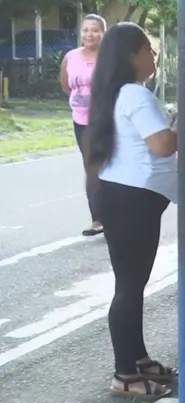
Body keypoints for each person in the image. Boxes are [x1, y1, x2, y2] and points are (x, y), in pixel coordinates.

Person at [86, 23, 178, 398]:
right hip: (133, 200)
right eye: (148, 50)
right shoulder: (135, 96)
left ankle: (136, 357)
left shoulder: (116, 94)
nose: (153, 56)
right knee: (128, 286)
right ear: (131, 56)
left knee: (133, 284)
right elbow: (161, 145)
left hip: (124, 197)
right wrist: (180, 124)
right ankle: (124, 374)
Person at [61, 13, 106, 237]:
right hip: (82, 120)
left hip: (107, 120)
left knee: (109, 164)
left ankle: (114, 213)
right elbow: (67, 86)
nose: (90, 34)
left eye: (95, 29)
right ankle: (97, 218)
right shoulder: (71, 57)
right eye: (86, 29)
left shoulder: (109, 56)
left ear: (103, 33)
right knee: (91, 167)